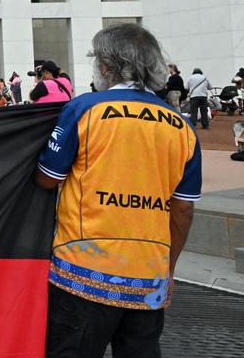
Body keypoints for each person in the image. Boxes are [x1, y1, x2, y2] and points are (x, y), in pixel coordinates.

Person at [35, 23, 198, 356]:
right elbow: (183, 208)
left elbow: (47, 178)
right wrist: (168, 271)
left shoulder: (84, 110)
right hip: (148, 275)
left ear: (106, 66)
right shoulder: (183, 126)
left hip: (81, 274)